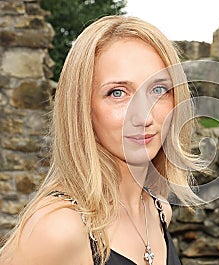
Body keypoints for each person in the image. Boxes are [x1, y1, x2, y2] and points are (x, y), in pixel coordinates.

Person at [0, 15, 202, 265]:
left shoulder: (158, 210)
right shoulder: (58, 230)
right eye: (117, 92)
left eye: (158, 89)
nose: (144, 115)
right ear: (82, 108)